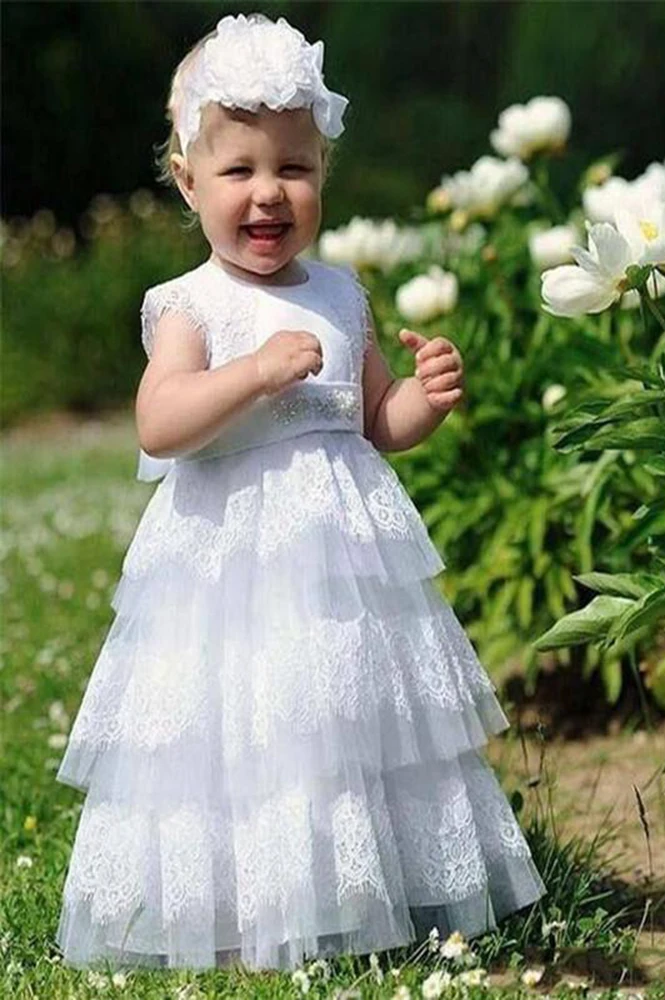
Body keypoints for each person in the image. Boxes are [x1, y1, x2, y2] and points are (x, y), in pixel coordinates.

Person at [53, 12, 545, 973]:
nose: (268, 192)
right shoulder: (191, 306)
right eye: (238, 170)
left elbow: (373, 421)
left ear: (324, 171)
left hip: (337, 569)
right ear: (188, 182)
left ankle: (361, 883)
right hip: (227, 562)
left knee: (341, 720)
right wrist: (252, 373)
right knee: (240, 729)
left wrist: (423, 399)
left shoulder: (342, 294)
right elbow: (160, 423)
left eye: (295, 167)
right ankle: (243, 900)